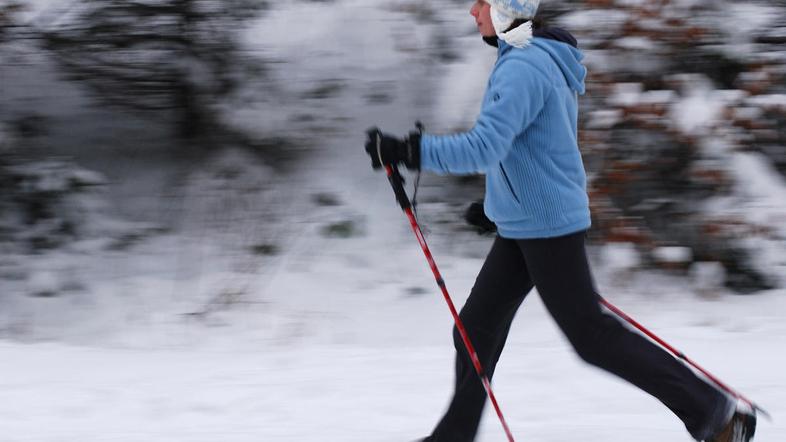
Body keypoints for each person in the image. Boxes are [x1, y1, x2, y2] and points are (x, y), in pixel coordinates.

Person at [364, 0, 757, 441]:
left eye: (482, 3)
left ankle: (717, 415)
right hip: (527, 225)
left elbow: (486, 146)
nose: (472, 11)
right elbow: (533, 149)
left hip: (548, 228)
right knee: (475, 331)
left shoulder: (523, 67)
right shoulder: (527, 56)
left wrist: (409, 151)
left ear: (506, 10)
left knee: (591, 336)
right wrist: (498, 209)